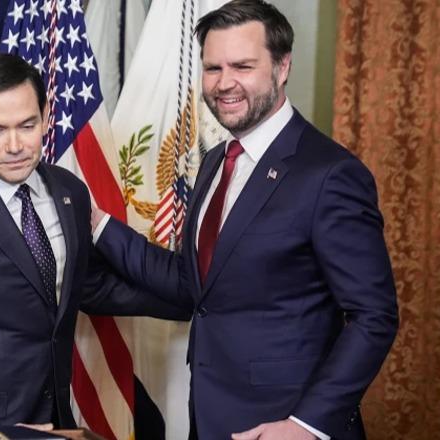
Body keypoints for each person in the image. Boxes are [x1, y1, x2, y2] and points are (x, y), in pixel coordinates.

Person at [91, 1, 399, 439]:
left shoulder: (330, 174)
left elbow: (374, 316)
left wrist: (306, 425)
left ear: (282, 67)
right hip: (209, 420)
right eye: (213, 68)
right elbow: (194, 284)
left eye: (242, 66)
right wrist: (98, 224)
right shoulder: (216, 161)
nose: (224, 83)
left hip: (285, 426)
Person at [0, 52, 189, 437]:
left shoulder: (69, 191)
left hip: (56, 424)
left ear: (45, 116)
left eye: (27, 125)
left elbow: (85, 286)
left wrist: (202, 300)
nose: (14, 145)